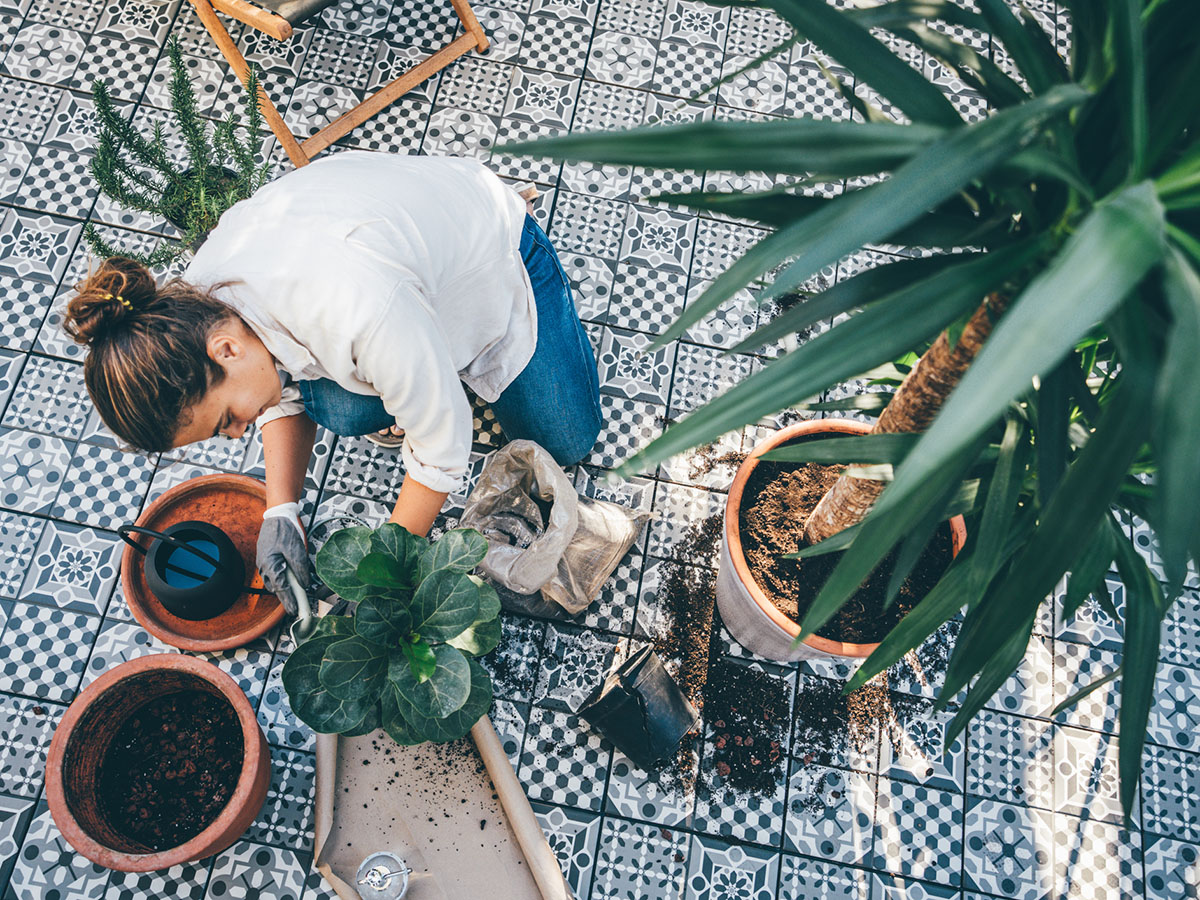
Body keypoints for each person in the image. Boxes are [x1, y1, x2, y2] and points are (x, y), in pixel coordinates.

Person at [64, 151, 603, 613]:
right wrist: (282, 509)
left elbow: (442, 450)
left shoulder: (355, 308)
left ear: (223, 350)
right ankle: (414, 363)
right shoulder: (202, 302)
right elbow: (270, 386)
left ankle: (527, 260)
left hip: (494, 251)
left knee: (566, 439)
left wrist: (380, 575)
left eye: (225, 420)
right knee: (343, 410)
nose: (234, 436)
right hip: (397, 273)